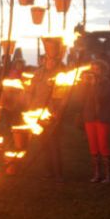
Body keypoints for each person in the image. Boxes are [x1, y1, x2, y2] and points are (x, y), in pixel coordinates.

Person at [28, 54, 66, 183]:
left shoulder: (61, 75)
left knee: (54, 143)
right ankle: (48, 171)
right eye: (47, 59)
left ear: (56, 62)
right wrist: (30, 106)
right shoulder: (38, 73)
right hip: (37, 111)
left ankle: (58, 173)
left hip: (52, 112)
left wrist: (58, 111)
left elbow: (63, 96)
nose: (49, 62)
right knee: (43, 143)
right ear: (44, 61)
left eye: (52, 60)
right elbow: (31, 91)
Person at [81, 60, 110, 182]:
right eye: (93, 69)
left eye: (97, 69)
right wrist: (83, 84)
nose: (95, 71)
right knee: (93, 146)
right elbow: (81, 98)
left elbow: (101, 98)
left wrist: (94, 85)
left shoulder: (107, 83)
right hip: (90, 117)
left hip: (103, 117)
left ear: (103, 70)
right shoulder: (88, 83)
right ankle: (97, 174)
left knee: (103, 145)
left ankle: (108, 175)